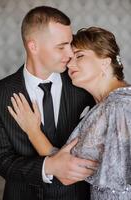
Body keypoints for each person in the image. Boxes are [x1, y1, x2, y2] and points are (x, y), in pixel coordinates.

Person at [8, 26, 131, 200]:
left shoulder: (118, 107)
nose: (70, 64)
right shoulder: (108, 104)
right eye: (70, 59)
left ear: (105, 61)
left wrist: (33, 132)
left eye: (80, 56)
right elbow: (67, 164)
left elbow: (67, 172)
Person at [0, 6, 97, 200]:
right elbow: (0, 159)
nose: (70, 53)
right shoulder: (1, 93)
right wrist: (48, 166)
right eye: (61, 46)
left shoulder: (82, 85)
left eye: (70, 44)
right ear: (33, 46)